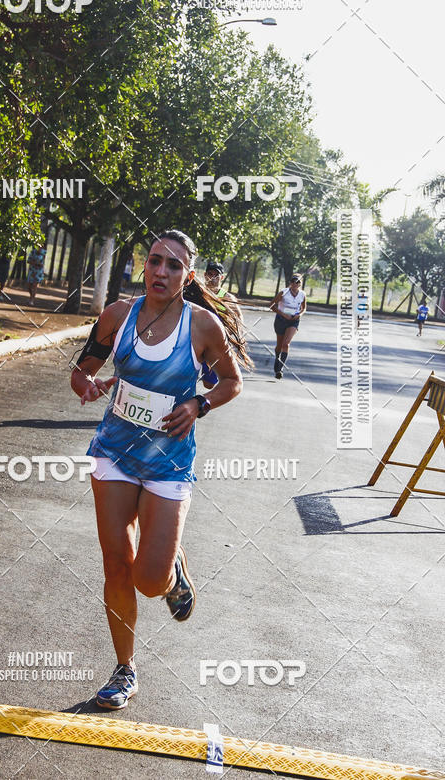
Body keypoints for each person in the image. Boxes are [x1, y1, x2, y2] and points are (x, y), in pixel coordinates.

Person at [70, 229, 251, 710]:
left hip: (168, 461)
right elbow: (81, 369)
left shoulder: (202, 326)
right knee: (115, 566)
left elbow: (232, 382)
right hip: (114, 452)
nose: (162, 272)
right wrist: (87, 385)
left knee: (149, 580)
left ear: (186, 275)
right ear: (143, 265)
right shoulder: (117, 315)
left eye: (174, 266)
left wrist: (199, 404)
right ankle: (124, 670)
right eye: (155, 261)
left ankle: (172, 568)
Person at [269, 273, 306, 379]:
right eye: (293, 281)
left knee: (286, 344)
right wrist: (283, 314)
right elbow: (271, 305)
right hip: (281, 320)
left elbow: (304, 308)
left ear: (300, 283)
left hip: (293, 321)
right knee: (280, 345)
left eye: (298, 281)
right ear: (290, 282)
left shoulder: (302, 294)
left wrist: (299, 314)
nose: (295, 283)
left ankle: (280, 369)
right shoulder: (283, 293)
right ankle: (277, 358)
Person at [27, 242, 47, 306]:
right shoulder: (33, 252)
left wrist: (40, 264)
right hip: (32, 270)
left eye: (40, 246)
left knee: (35, 285)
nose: (39, 248)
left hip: (38, 271)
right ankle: (31, 295)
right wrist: (34, 263)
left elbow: (42, 262)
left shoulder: (43, 253)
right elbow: (28, 261)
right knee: (29, 286)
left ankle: (32, 299)